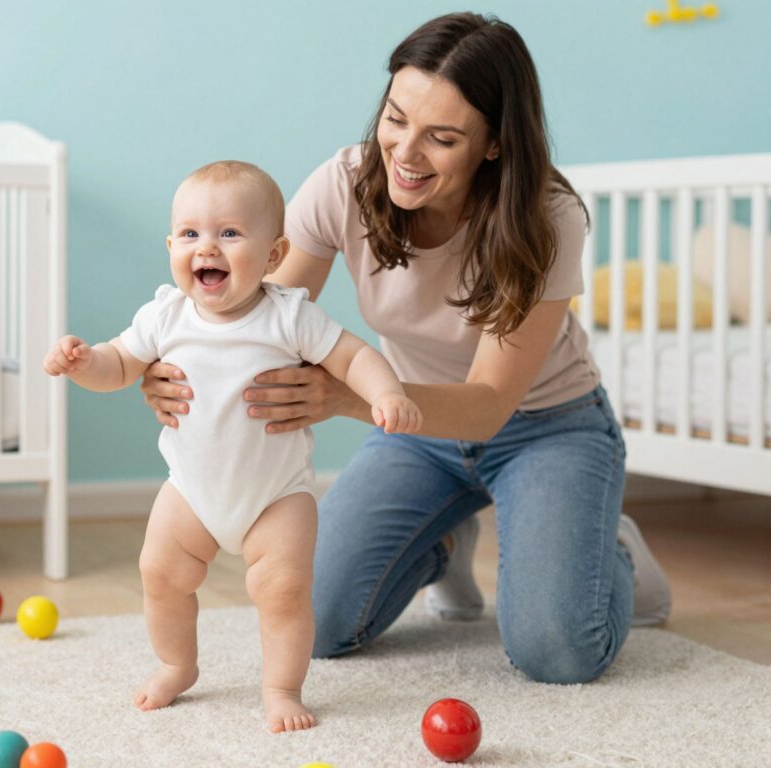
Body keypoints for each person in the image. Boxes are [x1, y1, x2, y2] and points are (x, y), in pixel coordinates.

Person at [140, 13, 672, 685]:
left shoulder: (546, 216)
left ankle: (605, 548)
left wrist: (343, 396)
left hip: (546, 428)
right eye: (395, 119)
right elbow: (256, 323)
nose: (406, 153)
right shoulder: (345, 184)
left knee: (558, 650)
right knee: (320, 622)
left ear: (494, 144)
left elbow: (488, 405)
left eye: (442, 138)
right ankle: (443, 542)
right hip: (416, 435)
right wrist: (169, 368)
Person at [44, 160, 422, 731]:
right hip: (190, 492)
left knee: (284, 590)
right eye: (190, 233)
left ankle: (282, 688)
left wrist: (386, 393)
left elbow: (353, 357)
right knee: (159, 573)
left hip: (276, 496)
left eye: (229, 233)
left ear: (273, 255)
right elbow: (118, 364)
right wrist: (83, 363)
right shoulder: (165, 315)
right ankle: (176, 665)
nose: (207, 247)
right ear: (171, 247)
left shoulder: (289, 316)